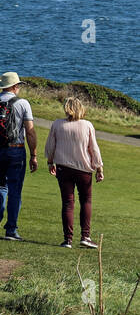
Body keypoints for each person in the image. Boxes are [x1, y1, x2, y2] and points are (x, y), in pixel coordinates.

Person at [0, 72, 37, 240]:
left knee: (0, 183)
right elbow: (31, 133)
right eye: (18, 85)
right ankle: (11, 229)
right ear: (14, 87)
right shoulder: (23, 104)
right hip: (16, 149)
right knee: (15, 190)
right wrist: (34, 155)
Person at [46, 97, 103, 249]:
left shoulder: (58, 124)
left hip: (63, 168)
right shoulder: (87, 125)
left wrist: (50, 161)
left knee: (67, 203)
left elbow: (51, 145)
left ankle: (68, 240)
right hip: (83, 169)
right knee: (86, 201)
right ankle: (85, 236)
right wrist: (99, 167)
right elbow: (94, 148)